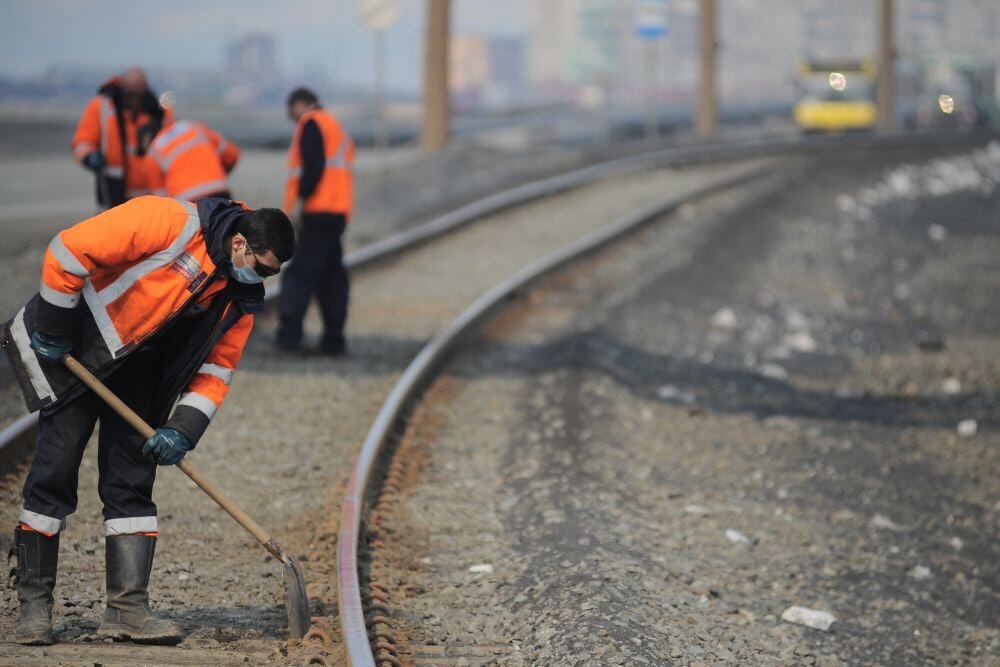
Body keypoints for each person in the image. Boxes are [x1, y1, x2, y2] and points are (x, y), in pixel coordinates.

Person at [1, 196, 294, 646]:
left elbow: (216, 373)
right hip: (78, 351)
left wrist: (182, 430)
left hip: (142, 377)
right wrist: (56, 329)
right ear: (240, 244)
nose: (265, 280)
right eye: (264, 268)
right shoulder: (172, 222)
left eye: (273, 274)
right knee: (53, 476)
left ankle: (127, 608)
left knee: (131, 486)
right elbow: (67, 250)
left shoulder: (239, 302)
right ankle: (34, 607)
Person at [277, 87, 355, 356]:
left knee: (299, 274)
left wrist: (300, 201)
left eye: (291, 112)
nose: (292, 119)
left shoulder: (312, 123)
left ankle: (289, 337)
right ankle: (334, 340)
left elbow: (313, 165)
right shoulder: (334, 125)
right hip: (336, 211)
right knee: (332, 278)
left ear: (299, 104)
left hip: (318, 210)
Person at [71, 67, 174, 209]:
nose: (135, 100)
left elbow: (172, 144)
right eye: (130, 94)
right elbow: (83, 141)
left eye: (138, 94)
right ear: (122, 88)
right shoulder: (101, 107)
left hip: (151, 193)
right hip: (114, 190)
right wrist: (89, 157)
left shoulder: (159, 112)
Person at [144, 119, 241, 201]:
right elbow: (232, 154)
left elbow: (160, 199)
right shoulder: (193, 126)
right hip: (218, 191)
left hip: (187, 201)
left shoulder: (152, 152)